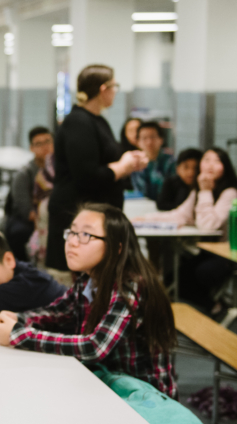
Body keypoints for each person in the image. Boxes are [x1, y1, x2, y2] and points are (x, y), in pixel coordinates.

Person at [0, 203, 178, 398]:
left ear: (116, 247)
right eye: (72, 232)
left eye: (86, 235)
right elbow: (58, 312)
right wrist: (18, 318)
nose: (72, 242)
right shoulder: (89, 279)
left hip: (145, 401)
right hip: (107, 386)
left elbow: (96, 347)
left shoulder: (130, 286)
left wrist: (20, 335)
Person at [46, 64, 148, 275]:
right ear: (103, 89)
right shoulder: (78, 122)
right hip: (77, 213)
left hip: (95, 214)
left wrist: (132, 159)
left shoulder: (97, 120)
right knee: (78, 282)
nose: (115, 92)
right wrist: (121, 167)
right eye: (114, 86)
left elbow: (108, 157)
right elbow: (87, 175)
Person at [135, 148, 237, 313]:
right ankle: (214, 306)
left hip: (230, 252)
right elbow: (181, 215)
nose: (210, 165)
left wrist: (205, 191)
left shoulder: (230, 192)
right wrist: (145, 219)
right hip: (209, 250)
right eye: (207, 160)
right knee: (173, 279)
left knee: (201, 273)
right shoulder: (198, 190)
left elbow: (208, 225)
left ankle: (219, 309)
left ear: (225, 167)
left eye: (217, 161)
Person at [4, 126, 54, 260]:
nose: (45, 147)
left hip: (51, 218)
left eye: (48, 141)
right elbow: (27, 212)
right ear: (31, 148)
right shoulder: (24, 174)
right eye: (39, 144)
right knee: (19, 233)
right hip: (28, 221)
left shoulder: (59, 171)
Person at [131, 121, 176, 202]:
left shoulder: (171, 162)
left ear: (161, 139)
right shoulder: (134, 163)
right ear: (138, 142)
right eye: (144, 138)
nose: (149, 142)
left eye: (153, 137)